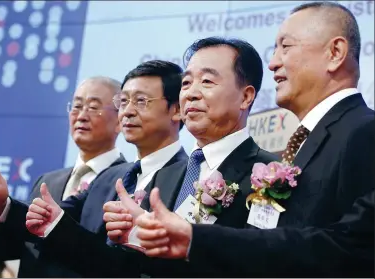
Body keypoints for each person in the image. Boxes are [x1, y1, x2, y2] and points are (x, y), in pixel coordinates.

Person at [133, 2, 375, 277]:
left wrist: (196, 238)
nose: (273, 63)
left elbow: (355, 248)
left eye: (286, 47)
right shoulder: (305, 142)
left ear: (335, 53)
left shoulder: (364, 131)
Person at [25, 37, 278, 277]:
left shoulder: (269, 173)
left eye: (207, 82)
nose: (191, 93)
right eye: (187, 83)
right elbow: (125, 270)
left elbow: (263, 265)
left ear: (246, 96)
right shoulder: (165, 175)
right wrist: (60, 226)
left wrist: (189, 244)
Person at [0, 60, 188, 277]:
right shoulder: (109, 177)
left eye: (141, 101)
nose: (128, 111)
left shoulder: (190, 178)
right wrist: (3, 205)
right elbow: (51, 217)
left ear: (177, 109)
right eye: (123, 102)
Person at [0, 76, 126, 277]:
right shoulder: (47, 181)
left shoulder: (126, 182)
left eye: (93, 107)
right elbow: (16, 250)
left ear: (120, 119)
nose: (81, 115)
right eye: (77, 106)